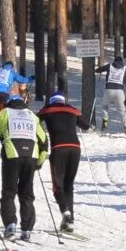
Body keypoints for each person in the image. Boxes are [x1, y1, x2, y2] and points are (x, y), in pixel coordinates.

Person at [0, 91, 44, 240]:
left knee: (9, 191)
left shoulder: (4, 113)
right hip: (31, 155)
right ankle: (27, 229)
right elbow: (44, 141)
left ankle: (10, 224)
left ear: (9, 103)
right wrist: (40, 161)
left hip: (12, 155)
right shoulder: (32, 115)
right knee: (26, 193)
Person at [38, 91, 87, 231]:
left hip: (58, 148)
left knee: (57, 186)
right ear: (63, 101)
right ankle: (70, 221)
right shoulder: (73, 110)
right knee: (69, 185)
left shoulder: (47, 110)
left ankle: (65, 210)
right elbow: (86, 125)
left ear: (52, 101)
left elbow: (34, 121)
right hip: (75, 149)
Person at [100, 55, 126, 134]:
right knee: (122, 110)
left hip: (108, 90)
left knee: (105, 106)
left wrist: (96, 70)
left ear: (114, 61)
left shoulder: (109, 66)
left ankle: (105, 121)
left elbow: (99, 69)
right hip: (119, 91)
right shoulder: (125, 68)